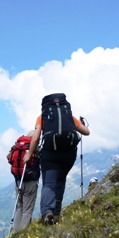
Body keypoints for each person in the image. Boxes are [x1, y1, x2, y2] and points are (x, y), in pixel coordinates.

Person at [24, 96, 90, 225]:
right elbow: (86, 132)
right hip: (68, 155)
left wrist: (29, 154)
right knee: (61, 181)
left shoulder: (42, 117)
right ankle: (56, 213)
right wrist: (80, 124)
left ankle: (47, 212)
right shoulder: (69, 116)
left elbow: (36, 138)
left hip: (50, 155)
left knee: (49, 184)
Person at [8, 131, 40, 233]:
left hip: (18, 180)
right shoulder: (34, 147)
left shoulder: (17, 146)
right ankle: (22, 234)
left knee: (19, 207)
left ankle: (16, 232)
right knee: (27, 210)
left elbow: (9, 158)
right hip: (30, 182)